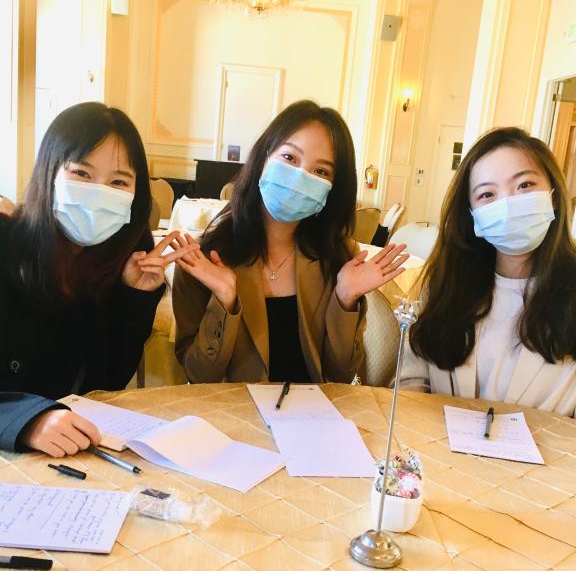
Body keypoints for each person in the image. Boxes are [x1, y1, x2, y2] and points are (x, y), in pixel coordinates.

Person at [0, 102, 197, 455]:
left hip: (68, 457)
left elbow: (106, 383)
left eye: (118, 182)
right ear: (48, 173)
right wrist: (28, 420)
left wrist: (134, 297)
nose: (99, 192)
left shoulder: (113, 266)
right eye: (81, 174)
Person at [164, 100, 408, 383]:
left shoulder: (338, 259)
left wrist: (345, 297)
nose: (300, 177)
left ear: (332, 189)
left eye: (321, 172)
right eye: (290, 158)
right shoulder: (205, 260)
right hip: (236, 420)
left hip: (311, 419)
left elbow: (340, 376)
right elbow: (199, 377)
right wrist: (225, 298)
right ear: (263, 160)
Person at [403, 126, 576, 421]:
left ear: (554, 194)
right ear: (473, 216)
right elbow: (410, 386)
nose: (507, 204)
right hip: (441, 458)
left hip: (551, 463)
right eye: (487, 194)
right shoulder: (445, 285)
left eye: (525, 185)